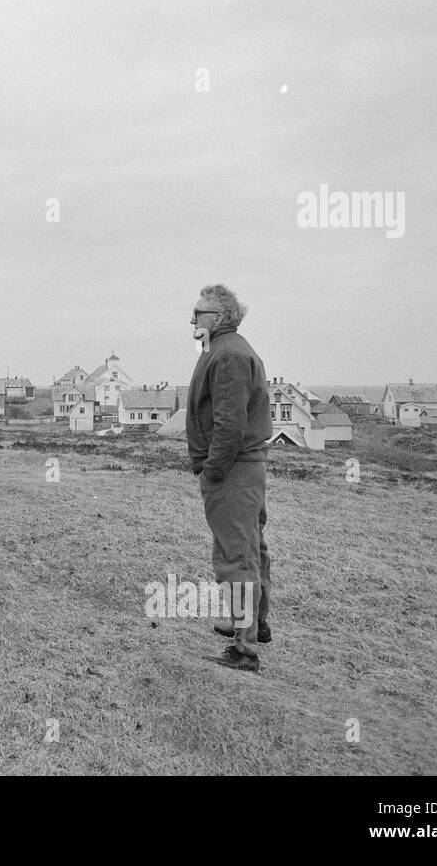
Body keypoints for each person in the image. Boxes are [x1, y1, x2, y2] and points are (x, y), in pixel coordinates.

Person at [186, 284, 274, 671]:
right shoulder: (226, 350)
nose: (192, 319)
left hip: (233, 468)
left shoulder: (228, 355)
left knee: (235, 555)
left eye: (198, 312)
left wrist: (213, 470)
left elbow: (229, 423)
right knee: (250, 549)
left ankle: (244, 649)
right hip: (243, 467)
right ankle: (254, 625)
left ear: (219, 317)